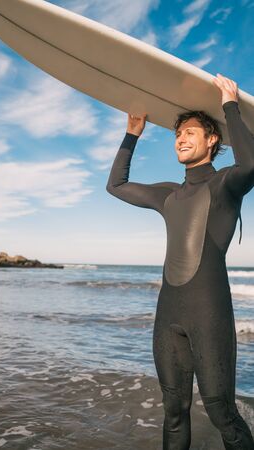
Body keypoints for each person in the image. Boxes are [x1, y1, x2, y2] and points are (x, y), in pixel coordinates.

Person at [106, 73, 254, 450]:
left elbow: (251, 164)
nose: (181, 139)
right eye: (177, 135)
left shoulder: (225, 183)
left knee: (221, 411)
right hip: (168, 314)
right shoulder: (168, 194)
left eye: (191, 132)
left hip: (209, 311)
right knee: (173, 410)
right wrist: (132, 134)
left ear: (212, 139)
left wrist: (229, 104)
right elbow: (116, 186)